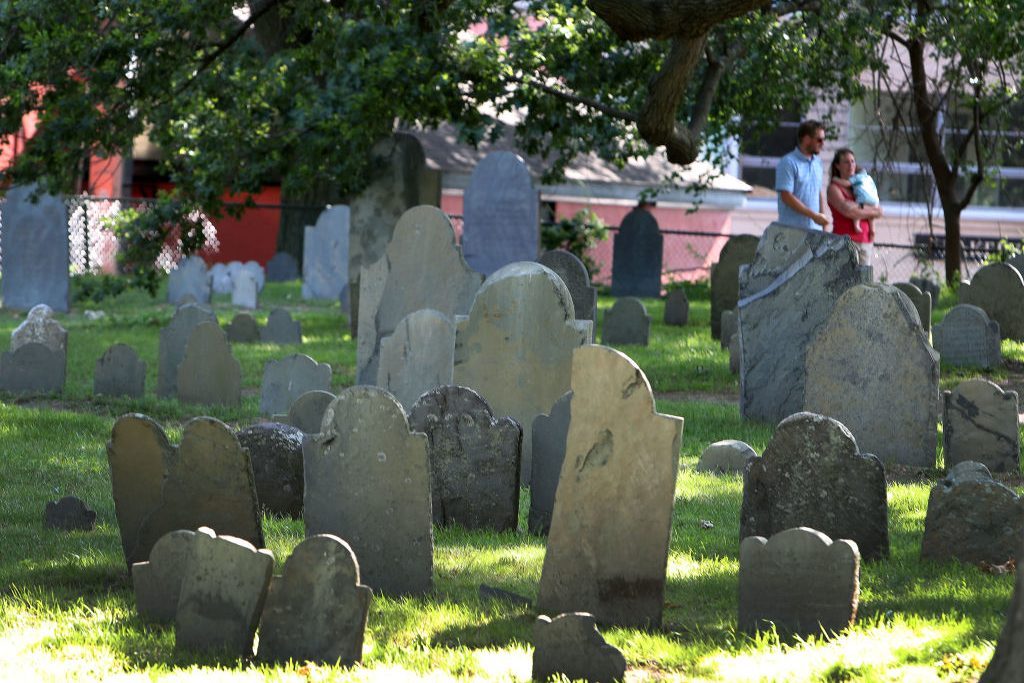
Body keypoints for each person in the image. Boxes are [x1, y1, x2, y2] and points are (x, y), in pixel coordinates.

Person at [827, 148, 884, 264]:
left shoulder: (860, 185)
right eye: (846, 162)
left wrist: (858, 207)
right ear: (837, 166)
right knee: (847, 280)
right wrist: (872, 211)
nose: (851, 165)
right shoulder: (834, 188)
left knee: (863, 281)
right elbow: (848, 211)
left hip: (866, 241)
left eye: (853, 161)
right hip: (845, 242)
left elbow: (879, 211)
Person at [775, 120, 829, 230]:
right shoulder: (788, 162)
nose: (822, 143)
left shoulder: (818, 162)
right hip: (792, 231)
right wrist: (813, 216)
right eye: (819, 140)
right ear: (806, 139)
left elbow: (818, 193)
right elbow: (786, 197)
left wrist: (824, 226)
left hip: (815, 232)